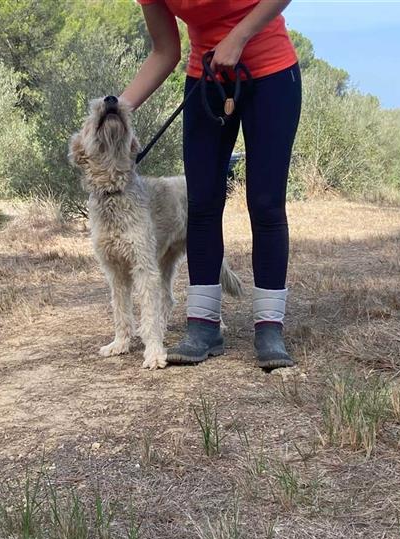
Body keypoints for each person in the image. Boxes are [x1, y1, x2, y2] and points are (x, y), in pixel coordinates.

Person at [121, 0, 301, 369]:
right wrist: (118, 108)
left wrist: (239, 36)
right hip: (206, 79)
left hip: (272, 74)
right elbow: (165, 50)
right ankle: (203, 328)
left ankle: (270, 329)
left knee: (266, 204)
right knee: (201, 203)